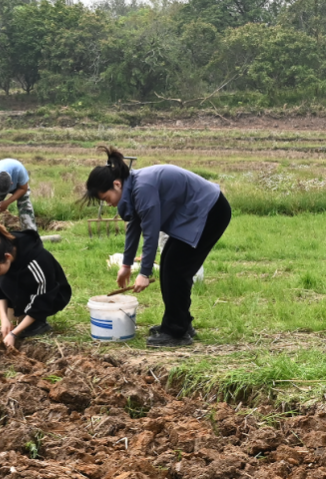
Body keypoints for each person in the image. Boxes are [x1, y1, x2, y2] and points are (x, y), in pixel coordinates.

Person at [83, 146, 232, 348]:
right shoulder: (133, 187)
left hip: (210, 210)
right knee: (171, 264)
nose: (108, 204)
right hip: (197, 213)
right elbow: (134, 226)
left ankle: (176, 331)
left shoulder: (142, 188)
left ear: (117, 184)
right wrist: (126, 265)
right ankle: (179, 323)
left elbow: (151, 232)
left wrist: (144, 273)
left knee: (176, 267)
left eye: (106, 198)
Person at [0, 223, 71, 347]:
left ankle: (37, 322)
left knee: (5, 281)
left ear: (7, 257)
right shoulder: (0, 250)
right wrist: (4, 319)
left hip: (51, 297)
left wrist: (13, 334)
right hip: (17, 290)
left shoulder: (37, 261)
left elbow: (42, 300)